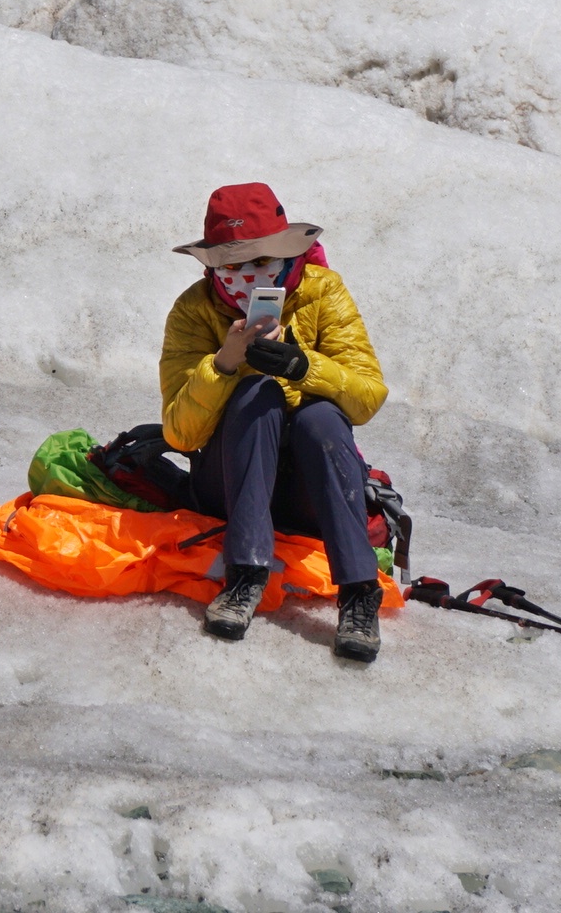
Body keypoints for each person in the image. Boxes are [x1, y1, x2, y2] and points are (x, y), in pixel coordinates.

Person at [160, 182, 390, 662]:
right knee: (255, 393)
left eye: (261, 262)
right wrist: (223, 364)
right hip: (230, 480)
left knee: (322, 418)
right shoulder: (192, 311)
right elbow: (180, 433)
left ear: (287, 256)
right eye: (233, 265)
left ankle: (359, 593)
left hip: (310, 486)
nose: (247, 275)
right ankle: (245, 575)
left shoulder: (323, 292)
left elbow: (368, 398)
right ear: (213, 267)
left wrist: (303, 366)